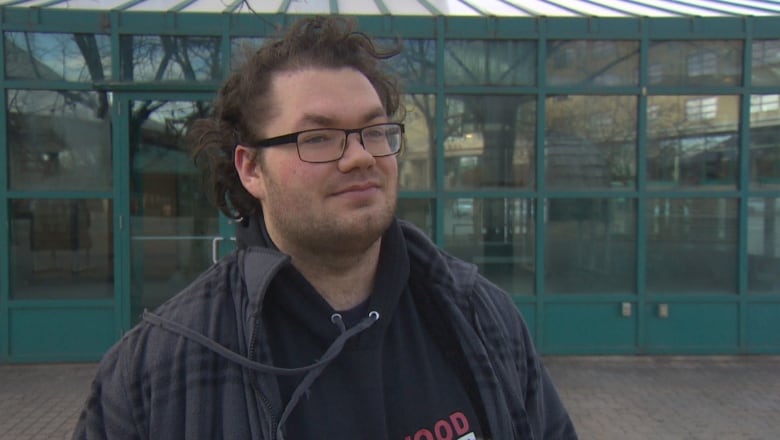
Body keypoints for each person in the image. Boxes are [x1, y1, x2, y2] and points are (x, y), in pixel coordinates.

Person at [73, 16, 577, 440]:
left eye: (375, 131)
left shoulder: (482, 318)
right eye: (318, 137)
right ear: (251, 169)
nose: (360, 156)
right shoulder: (157, 372)